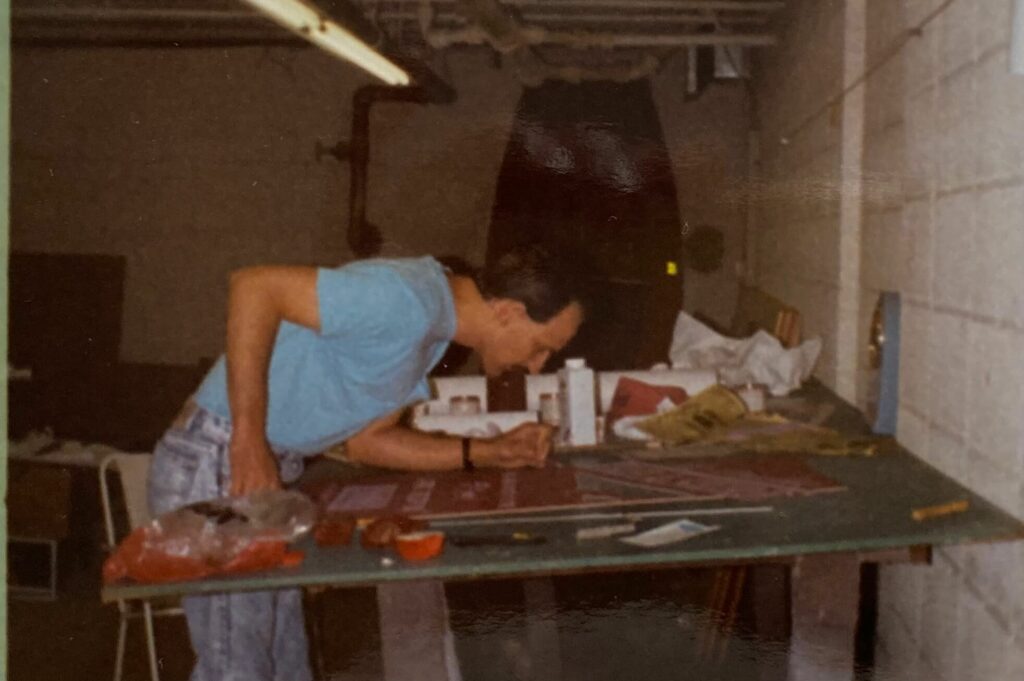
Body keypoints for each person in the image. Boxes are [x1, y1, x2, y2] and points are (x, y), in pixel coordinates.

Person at [147, 244, 589, 681]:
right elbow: (255, 286)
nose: (535, 367)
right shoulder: (405, 299)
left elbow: (367, 443)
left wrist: (489, 453)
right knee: (237, 669)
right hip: (219, 457)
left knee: (284, 665)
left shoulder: (431, 328)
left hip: (263, 465)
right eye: (539, 348)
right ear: (510, 311)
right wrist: (248, 440)